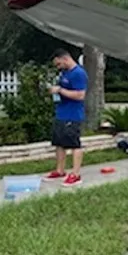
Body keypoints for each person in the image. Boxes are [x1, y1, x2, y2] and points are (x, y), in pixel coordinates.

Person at [46, 48, 88, 186]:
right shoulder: (65, 73)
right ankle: (60, 170)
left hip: (73, 114)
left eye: (58, 64)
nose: (58, 67)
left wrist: (61, 90)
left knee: (74, 143)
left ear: (65, 58)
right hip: (61, 111)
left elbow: (80, 95)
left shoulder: (78, 74)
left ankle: (76, 174)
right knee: (59, 142)